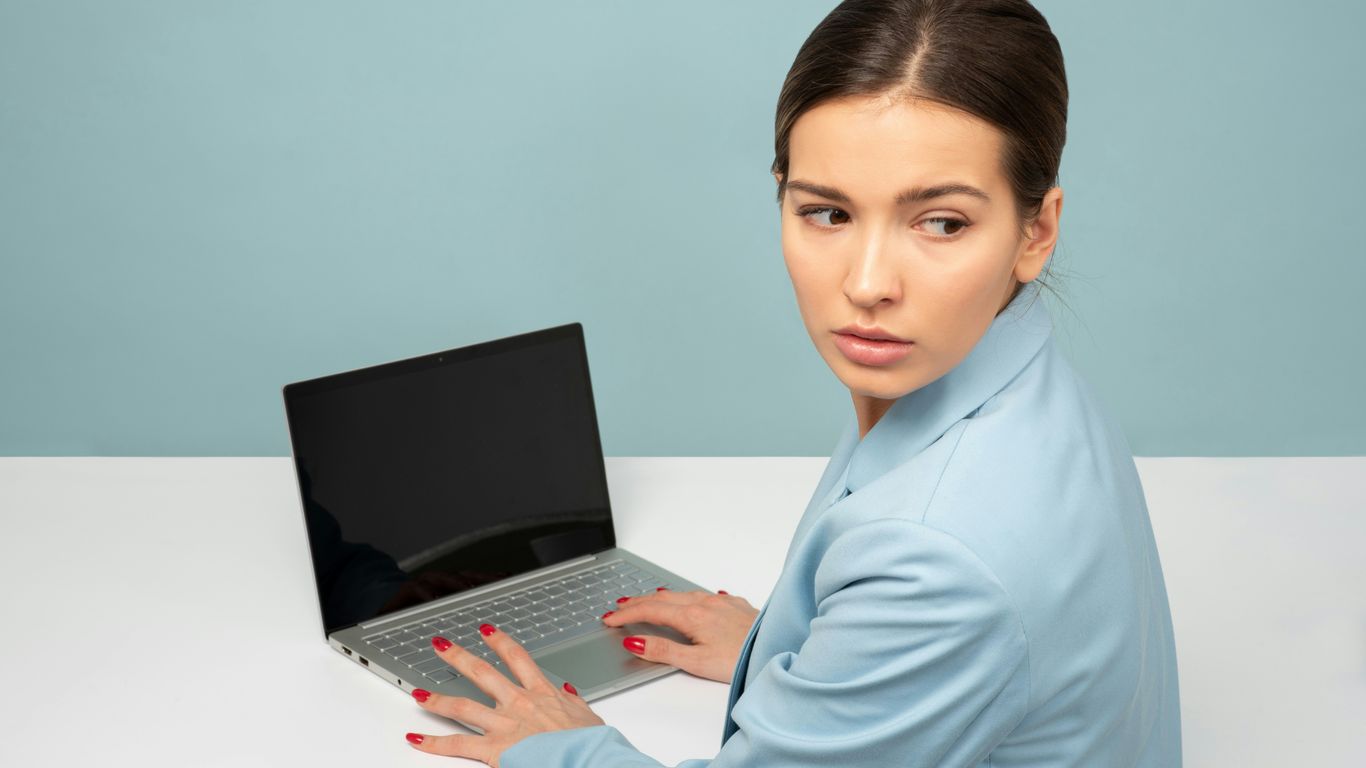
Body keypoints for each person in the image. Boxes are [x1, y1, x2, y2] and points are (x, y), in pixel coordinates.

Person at [402, 0, 1182, 764]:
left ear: (1035, 231)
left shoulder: (934, 559)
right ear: (782, 193)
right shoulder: (1017, 372)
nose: (869, 284)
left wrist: (565, 749)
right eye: (828, 213)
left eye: (941, 222)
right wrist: (797, 649)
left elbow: (952, 575)